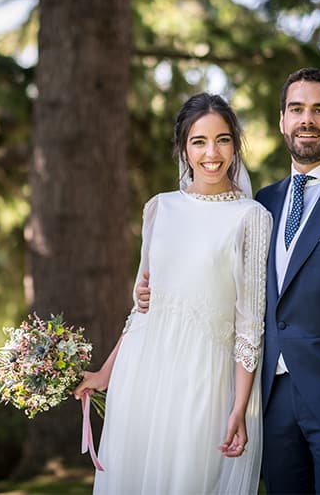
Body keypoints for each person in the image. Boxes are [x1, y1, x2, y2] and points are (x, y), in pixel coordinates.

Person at [137, 68, 320, 493]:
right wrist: (159, 290)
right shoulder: (263, 204)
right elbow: (232, 292)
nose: (307, 119)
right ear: (282, 120)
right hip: (272, 406)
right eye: (296, 109)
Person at [74, 92, 272, 494]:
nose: (211, 153)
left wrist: (241, 409)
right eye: (199, 141)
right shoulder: (158, 209)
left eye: (222, 139)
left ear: (235, 144)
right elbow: (143, 309)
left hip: (203, 382)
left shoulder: (251, 218)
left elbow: (250, 325)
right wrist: (104, 375)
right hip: (141, 377)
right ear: (184, 148)